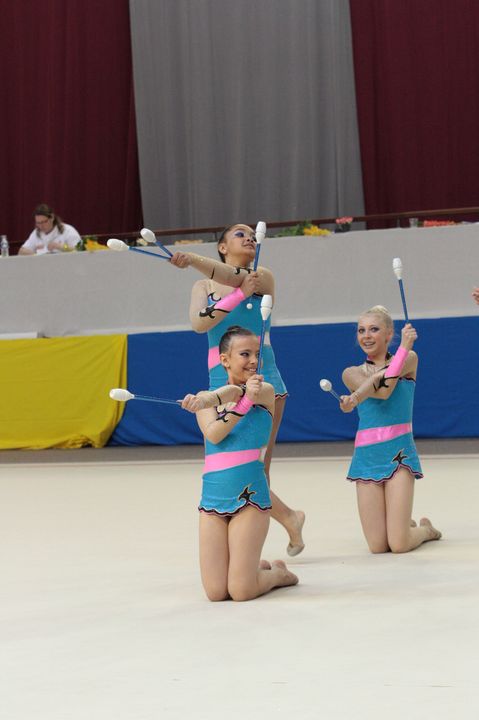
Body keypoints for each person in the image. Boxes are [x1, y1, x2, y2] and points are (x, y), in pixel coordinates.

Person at [170, 224, 305, 556]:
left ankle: (250, 551)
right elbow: (199, 323)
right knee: (225, 462)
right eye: (239, 234)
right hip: (220, 382)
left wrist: (192, 260)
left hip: (263, 380)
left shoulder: (261, 278)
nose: (248, 238)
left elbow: (233, 277)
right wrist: (238, 295)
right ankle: (289, 518)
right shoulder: (203, 285)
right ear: (222, 247)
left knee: (257, 465)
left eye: (250, 234)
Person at [180, 325, 298, 601]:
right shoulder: (206, 401)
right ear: (224, 360)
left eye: (257, 354)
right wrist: (205, 400)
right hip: (213, 500)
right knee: (216, 592)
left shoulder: (265, 392)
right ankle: (252, 569)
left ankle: (277, 574)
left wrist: (228, 401)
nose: (254, 361)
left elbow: (237, 394)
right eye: (245, 354)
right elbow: (214, 434)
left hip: (250, 500)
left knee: (241, 591)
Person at [339, 305, 441, 554]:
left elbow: (385, 389)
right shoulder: (351, 373)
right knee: (377, 546)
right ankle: (404, 525)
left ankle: (425, 530)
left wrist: (404, 348)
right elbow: (378, 387)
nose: (366, 336)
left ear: (389, 334)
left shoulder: (408, 359)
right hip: (367, 459)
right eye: (361, 330)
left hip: (399, 455)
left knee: (399, 544)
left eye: (374, 329)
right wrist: (356, 396)